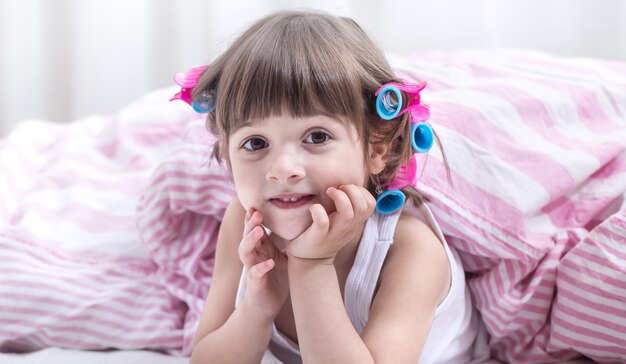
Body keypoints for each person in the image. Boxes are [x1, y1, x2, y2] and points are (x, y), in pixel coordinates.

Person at [181, 10, 481, 364]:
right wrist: (255, 311)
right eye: (255, 143)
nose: (282, 170)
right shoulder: (244, 221)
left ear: (376, 150)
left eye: (317, 136)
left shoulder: (410, 250)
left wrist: (312, 266)